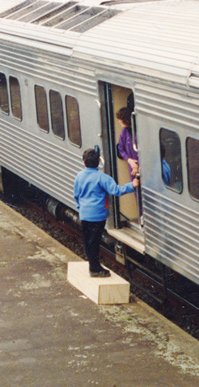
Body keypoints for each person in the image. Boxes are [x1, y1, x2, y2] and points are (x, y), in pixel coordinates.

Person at [74, 148, 139, 278]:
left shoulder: (79, 176)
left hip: (84, 214)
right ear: (99, 161)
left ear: (84, 162)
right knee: (95, 242)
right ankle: (95, 269)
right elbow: (116, 191)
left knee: (88, 242)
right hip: (98, 216)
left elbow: (76, 195)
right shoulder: (103, 178)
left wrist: (80, 207)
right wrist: (132, 185)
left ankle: (93, 266)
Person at [116, 107, 142, 219]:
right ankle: (142, 217)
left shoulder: (139, 132)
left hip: (140, 167)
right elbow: (120, 148)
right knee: (137, 193)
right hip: (133, 167)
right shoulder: (124, 132)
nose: (119, 122)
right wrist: (130, 160)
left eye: (121, 120)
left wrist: (138, 165)